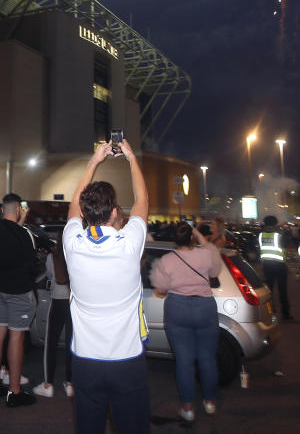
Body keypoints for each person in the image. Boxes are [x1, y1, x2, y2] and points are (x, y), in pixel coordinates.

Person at [63, 140, 150, 434]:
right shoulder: (129, 244)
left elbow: (73, 207)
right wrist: (131, 158)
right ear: (115, 212)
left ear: (86, 215)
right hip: (127, 360)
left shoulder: (72, 244)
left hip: (86, 361)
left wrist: (94, 160)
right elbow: (142, 200)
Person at [151, 222, 223, 422]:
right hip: (205, 308)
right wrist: (199, 235)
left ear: (174, 238)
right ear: (192, 237)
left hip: (178, 309)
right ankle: (209, 403)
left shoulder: (166, 260)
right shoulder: (205, 255)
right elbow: (215, 271)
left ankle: (188, 408)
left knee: (184, 361)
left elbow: (160, 290)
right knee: (207, 359)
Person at [0, 193, 38, 406]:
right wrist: (23, 222)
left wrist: (20, 221)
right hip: (19, 291)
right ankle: (14, 391)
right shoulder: (25, 234)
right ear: (18, 208)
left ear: (2, 208)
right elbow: (31, 259)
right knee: (16, 338)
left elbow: (11, 233)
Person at [32, 231, 74, 399]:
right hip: (73, 303)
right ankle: (70, 384)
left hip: (57, 301)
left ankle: (48, 384)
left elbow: (50, 277)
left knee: (51, 343)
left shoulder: (52, 257)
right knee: (72, 344)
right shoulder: (77, 256)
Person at [258, 216, 291, 320]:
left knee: (269, 290)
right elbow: (285, 248)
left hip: (267, 265)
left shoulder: (261, 235)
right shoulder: (280, 235)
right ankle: (285, 313)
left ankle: (269, 311)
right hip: (279, 265)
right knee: (282, 290)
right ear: (275, 224)